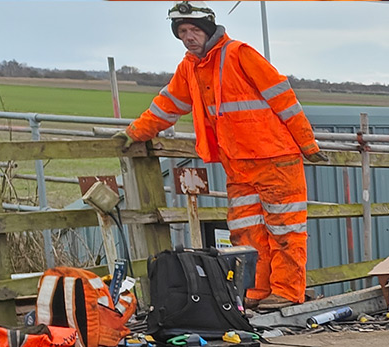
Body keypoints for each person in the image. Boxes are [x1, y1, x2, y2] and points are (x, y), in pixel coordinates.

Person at [124, 2, 322, 311]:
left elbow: (283, 97)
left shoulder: (240, 54)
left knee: (284, 230)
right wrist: (135, 132)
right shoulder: (189, 67)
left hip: (275, 159)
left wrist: (306, 142)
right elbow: (167, 105)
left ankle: (286, 292)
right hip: (238, 166)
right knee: (246, 233)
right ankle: (257, 292)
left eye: (194, 30)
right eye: (182, 32)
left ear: (208, 28)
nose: (189, 37)